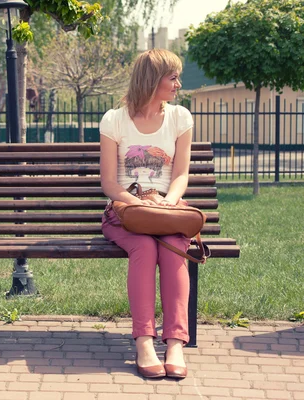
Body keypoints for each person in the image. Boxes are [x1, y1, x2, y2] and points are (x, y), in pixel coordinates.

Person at [99, 48, 193, 379]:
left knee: (173, 248)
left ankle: (175, 343)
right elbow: (109, 183)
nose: (178, 84)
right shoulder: (115, 120)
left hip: (166, 207)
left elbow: (180, 174)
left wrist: (170, 201)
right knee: (144, 247)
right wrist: (139, 204)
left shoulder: (180, 118)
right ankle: (144, 340)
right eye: (173, 77)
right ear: (153, 80)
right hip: (127, 210)